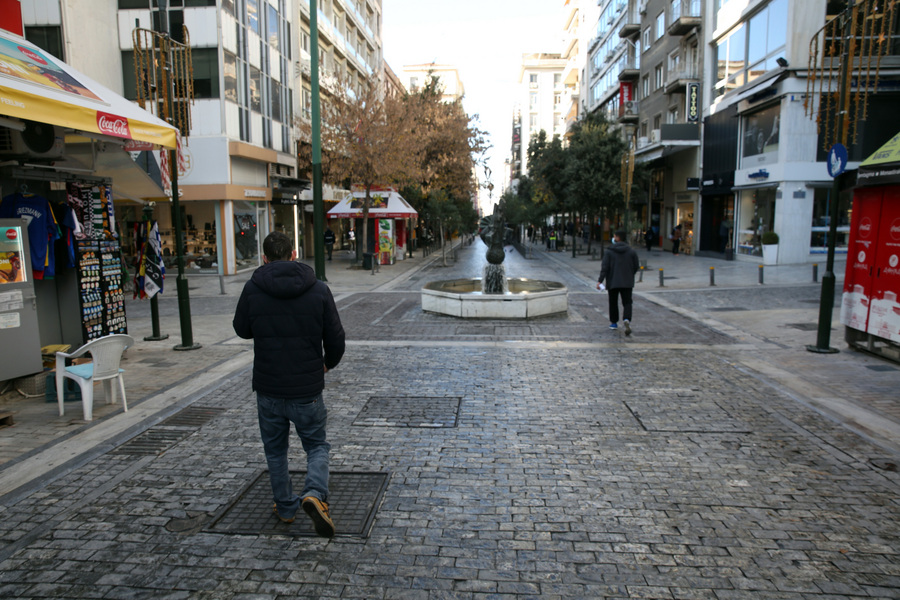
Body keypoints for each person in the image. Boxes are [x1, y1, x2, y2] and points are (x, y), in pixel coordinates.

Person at [233, 231, 345, 538]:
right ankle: (314, 493)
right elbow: (336, 338)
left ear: (264, 257)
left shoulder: (253, 287)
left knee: (275, 450)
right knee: (317, 446)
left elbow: (241, 329)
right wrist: (327, 363)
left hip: (268, 387)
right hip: (306, 389)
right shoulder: (318, 289)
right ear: (294, 254)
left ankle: (285, 507)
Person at [597, 229, 640, 336]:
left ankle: (614, 322)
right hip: (627, 281)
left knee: (613, 302)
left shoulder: (609, 252)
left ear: (617, 238)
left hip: (612, 281)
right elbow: (636, 266)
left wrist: (600, 281)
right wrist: (630, 275)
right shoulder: (631, 251)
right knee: (627, 302)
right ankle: (627, 319)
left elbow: (605, 268)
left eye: (614, 236)